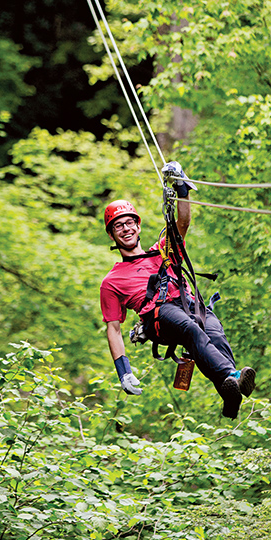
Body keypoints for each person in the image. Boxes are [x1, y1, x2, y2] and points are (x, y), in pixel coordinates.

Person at [99, 161, 256, 418]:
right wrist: (123, 371)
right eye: (118, 226)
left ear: (138, 227)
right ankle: (231, 376)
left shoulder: (161, 249)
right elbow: (113, 329)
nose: (126, 229)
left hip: (188, 304)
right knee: (190, 328)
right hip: (158, 316)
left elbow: (182, 223)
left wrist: (182, 189)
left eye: (129, 223)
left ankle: (230, 395)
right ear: (112, 235)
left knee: (216, 336)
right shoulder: (112, 281)